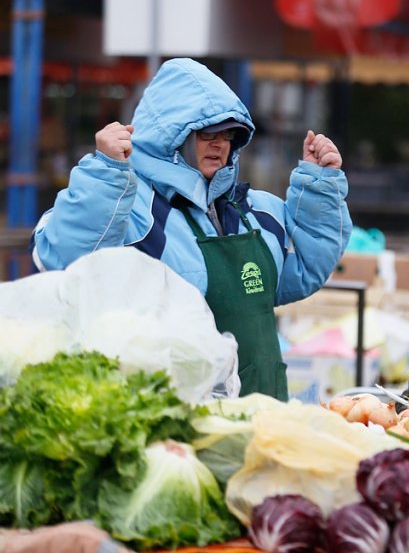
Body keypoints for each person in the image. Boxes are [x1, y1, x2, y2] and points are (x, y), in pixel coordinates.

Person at [31, 58, 352, 400]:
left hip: (265, 413)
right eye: (206, 133)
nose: (219, 144)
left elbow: (303, 271)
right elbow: (64, 259)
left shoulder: (257, 210)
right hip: (176, 419)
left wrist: (319, 185)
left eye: (229, 134)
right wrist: (105, 174)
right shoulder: (130, 208)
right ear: (171, 137)